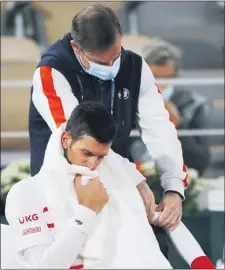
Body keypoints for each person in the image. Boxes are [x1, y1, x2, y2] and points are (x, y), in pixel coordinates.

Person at [29, 4, 188, 257]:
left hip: (121, 185)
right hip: (65, 189)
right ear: (76, 48)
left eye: (114, 57)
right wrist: (134, 180)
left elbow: (161, 129)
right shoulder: (51, 72)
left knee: (154, 249)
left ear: (119, 35)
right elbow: (82, 139)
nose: (111, 65)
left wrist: (173, 187)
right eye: (99, 62)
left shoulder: (135, 66)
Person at [6, 102, 173, 269]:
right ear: (66, 140)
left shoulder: (114, 184)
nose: (92, 164)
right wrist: (86, 212)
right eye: (86, 153)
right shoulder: (25, 193)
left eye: (101, 157)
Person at [139, 38, 211, 176]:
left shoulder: (195, 105)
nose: (159, 84)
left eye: (166, 78)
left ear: (175, 74)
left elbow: (200, 162)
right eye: (153, 77)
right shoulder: (126, 100)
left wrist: (179, 126)